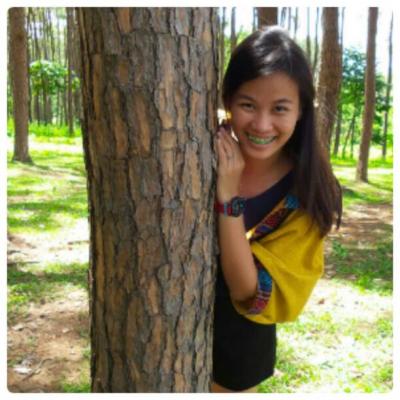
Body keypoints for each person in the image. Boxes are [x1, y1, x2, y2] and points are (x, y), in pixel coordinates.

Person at [211, 26, 342, 393]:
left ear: (301, 111)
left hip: (238, 353)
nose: (262, 124)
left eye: (280, 108)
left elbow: (247, 291)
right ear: (228, 100)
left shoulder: (307, 193)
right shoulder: (198, 148)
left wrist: (229, 197)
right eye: (248, 105)